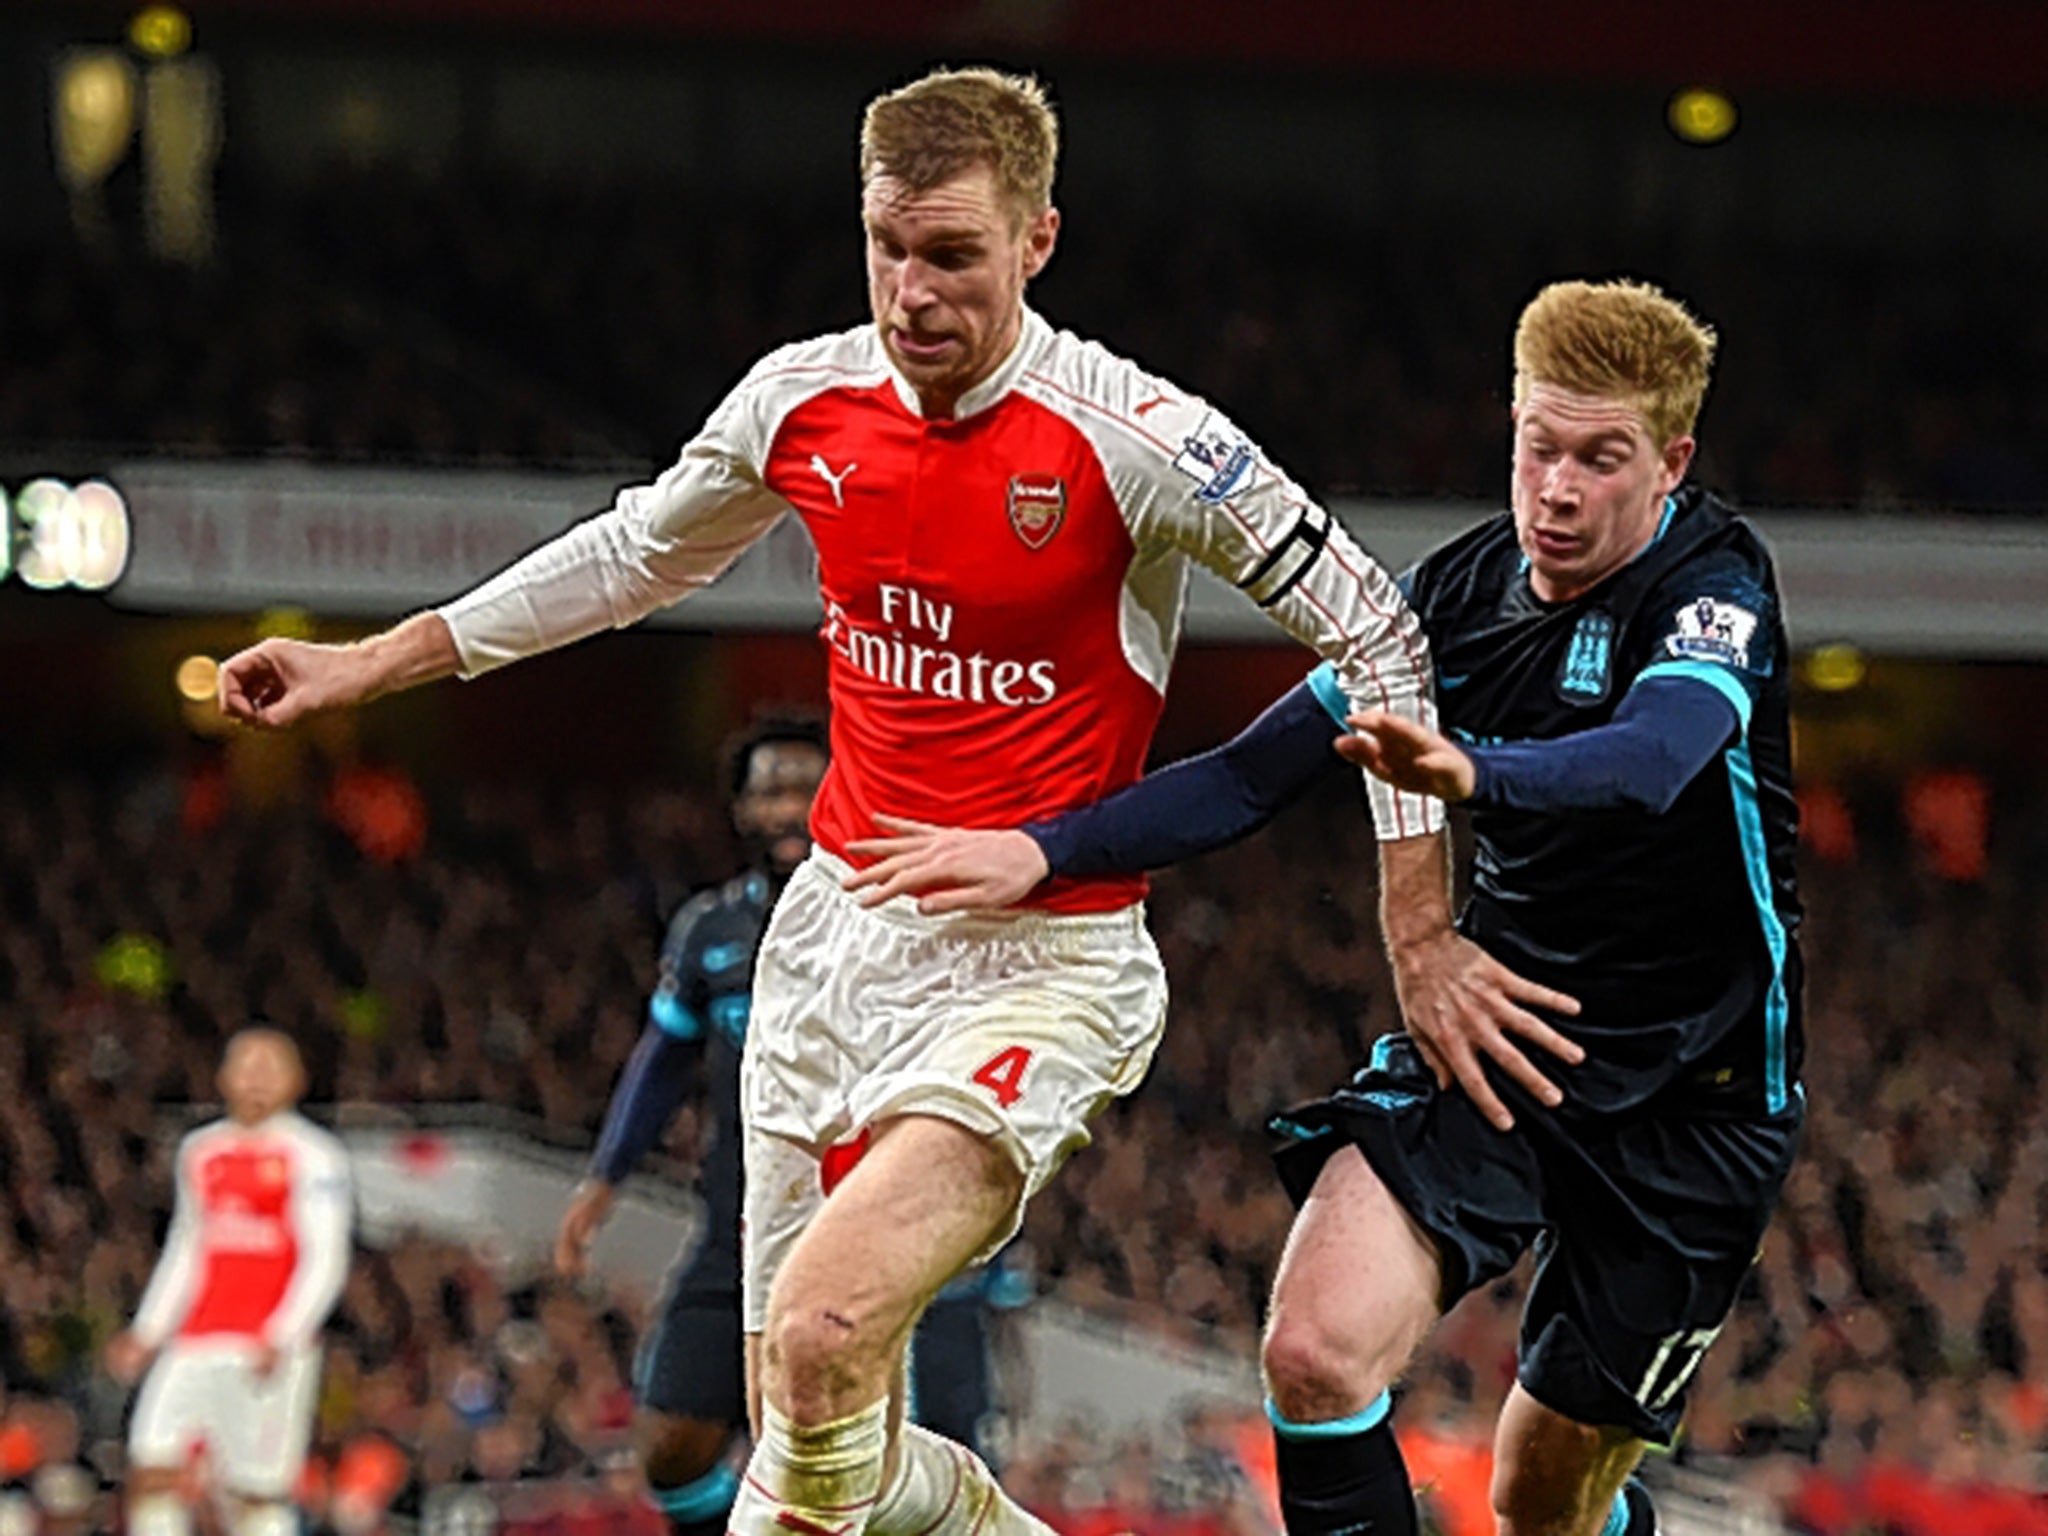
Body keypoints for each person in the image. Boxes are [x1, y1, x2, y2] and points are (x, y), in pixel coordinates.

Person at [215, 65, 1525, 1536]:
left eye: (954, 254)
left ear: (1038, 239)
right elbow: (638, 552)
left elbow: (1384, 630)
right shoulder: (804, 399)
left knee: (829, 1332)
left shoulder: (1140, 438)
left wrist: (1416, 922)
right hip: (832, 945)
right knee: (813, 1413)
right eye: (887, 248)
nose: (912, 291)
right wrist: (369, 664)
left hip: (1043, 961)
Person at [846, 279, 1803, 1536]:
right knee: (1311, 1352)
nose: (1557, 490)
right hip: (1497, 1030)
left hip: (1696, 1099)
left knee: (1540, 1502)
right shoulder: (1448, 606)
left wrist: (1476, 773)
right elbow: (1251, 772)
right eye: (1537, 448)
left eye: (1598, 459)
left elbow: (1651, 759)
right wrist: (1042, 848)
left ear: (1669, 460)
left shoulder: (1711, 590)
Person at [554, 717, 1022, 1535]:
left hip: (892, 1230)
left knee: (911, 1467)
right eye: (768, 790)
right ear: (740, 807)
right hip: (744, 1229)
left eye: (807, 788)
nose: (787, 809)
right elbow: (663, 1062)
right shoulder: (712, 931)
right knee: (672, 1446)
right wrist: (604, 1180)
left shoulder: (911, 914)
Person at [106, 1029, 354, 1536]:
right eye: (247, 1065)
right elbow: (187, 1245)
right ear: (223, 1077)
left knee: (256, 1489)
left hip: (265, 1345)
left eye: (272, 1066)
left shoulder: (314, 1154)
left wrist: (285, 1333)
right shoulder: (201, 1150)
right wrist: (149, 1330)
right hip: (197, 1335)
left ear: (297, 1081)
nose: (258, 1077)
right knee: (154, 1463)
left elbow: (324, 1255)